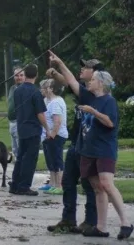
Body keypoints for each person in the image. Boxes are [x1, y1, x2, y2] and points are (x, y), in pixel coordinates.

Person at [49, 52, 133, 239]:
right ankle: (101, 228)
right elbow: (71, 80)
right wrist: (60, 63)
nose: (90, 82)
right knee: (96, 186)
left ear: (101, 83)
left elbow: (110, 123)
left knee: (106, 184)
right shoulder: (89, 96)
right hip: (88, 150)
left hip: (104, 150)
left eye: (93, 79)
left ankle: (126, 223)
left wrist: (93, 112)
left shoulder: (108, 101)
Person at [45, 56, 102, 234]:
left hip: (89, 147)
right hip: (76, 143)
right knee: (68, 182)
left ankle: (91, 221)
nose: (82, 69)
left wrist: (60, 63)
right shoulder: (85, 88)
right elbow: (68, 82)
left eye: (86, 67)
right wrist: (55, 72)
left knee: (88, 184)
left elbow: (70, 81)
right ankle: (68, 219)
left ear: (97, 74)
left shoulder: (92, 93)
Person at [9, 64, 49, 196]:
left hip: (21, 127)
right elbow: (40, 114)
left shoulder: (17, 91)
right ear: (36, 75)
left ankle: (15, 184)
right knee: (30, 159)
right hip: (33, 128)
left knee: (21, 156)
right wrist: (47, 128)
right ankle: (24, 186)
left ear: (25, 74)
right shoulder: (36, 92)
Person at [38, 79, 68, 195]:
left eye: (45, 87)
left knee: (57, 160)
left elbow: (57, 122)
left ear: (51, 89)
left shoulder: (56, 102)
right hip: (47, 136)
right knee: (50, 160)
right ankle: (52, 183)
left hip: (56, 136)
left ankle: (59, 185)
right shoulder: (46, 101)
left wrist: (52, 135)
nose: (43, 90)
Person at [7, 67, 25, 159]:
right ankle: (18, 169)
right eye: (16, 75)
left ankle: (23, 169)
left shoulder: (26, 89)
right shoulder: (12, 88)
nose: (19, 77)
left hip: (20, 122)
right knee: (14, 150)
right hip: (12, 122)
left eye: (21, 75)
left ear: (25, 76)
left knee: (20, 148)